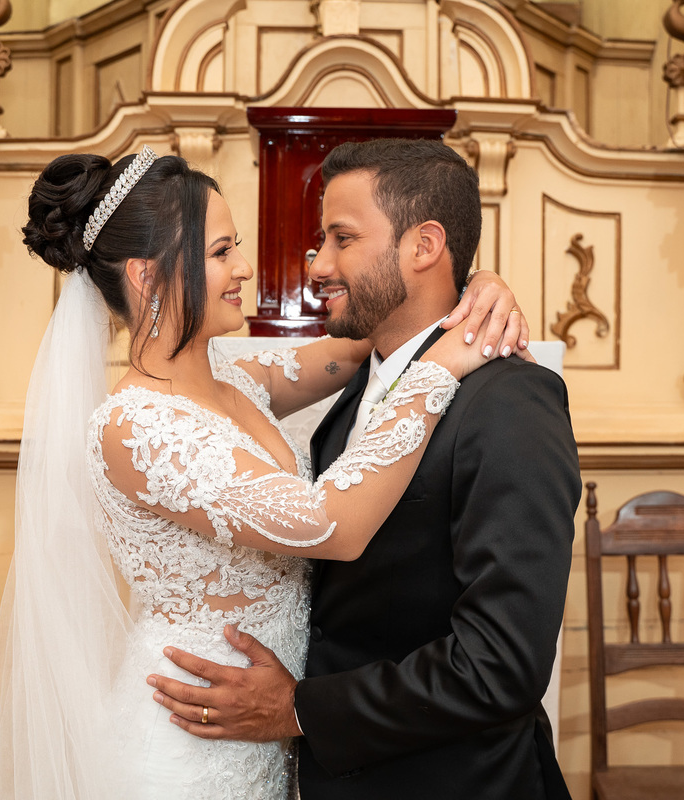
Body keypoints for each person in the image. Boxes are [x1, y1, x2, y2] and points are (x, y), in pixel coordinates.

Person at [0, 144, 532, 800]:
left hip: (266, 733)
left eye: (234, 246)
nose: (244, 267)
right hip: (187, 745)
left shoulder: (235, 376)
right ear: (147, 276)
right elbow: (329, 525)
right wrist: (443, 367)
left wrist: (474, 286)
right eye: (219, 253)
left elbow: (367, 336)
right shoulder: (136, 427)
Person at [149, 139, 581, 800]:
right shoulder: (361, 378)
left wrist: (300, 710)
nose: (318, 264)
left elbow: (502, 664)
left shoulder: (510, 404)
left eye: (342, 238)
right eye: (321, 240)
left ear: (424, 245)